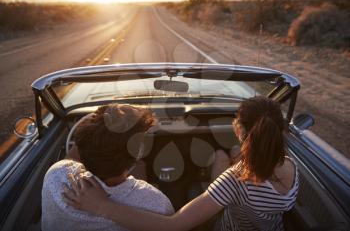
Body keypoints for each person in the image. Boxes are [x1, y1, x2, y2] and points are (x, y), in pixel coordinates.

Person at [63, 97, 299, 231]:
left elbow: (174, 226)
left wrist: (102, 206)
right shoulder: (291, 166)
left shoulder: (235, 180)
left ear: (237, 129)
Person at [41, 104, 174, 231]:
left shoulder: (55, 175)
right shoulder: (157, 205)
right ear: (138, 153)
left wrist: (94, 132)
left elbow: (71, 159)